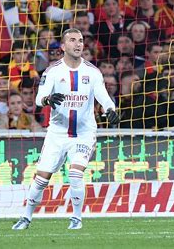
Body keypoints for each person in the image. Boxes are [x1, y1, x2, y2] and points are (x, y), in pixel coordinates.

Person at [12, 28, 119, 231]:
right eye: (72, 40)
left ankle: (76, 219)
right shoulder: (52, 71)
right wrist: (48, 99)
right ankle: (26, 218)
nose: (78, 44)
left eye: (80, 40)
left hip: (84, 133)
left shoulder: (92, 72)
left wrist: (111, 109)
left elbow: (104, 97)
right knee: (41, 179)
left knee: (75, 174)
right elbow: (38, 98)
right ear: (63, 46)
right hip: (57, 134)